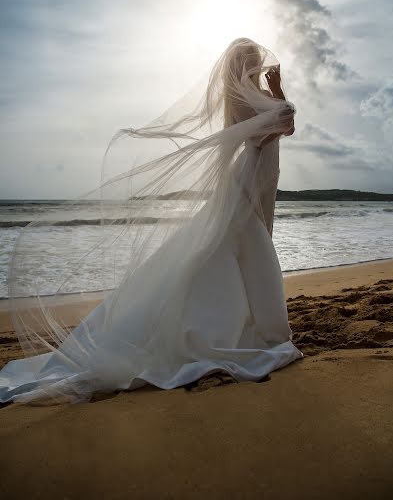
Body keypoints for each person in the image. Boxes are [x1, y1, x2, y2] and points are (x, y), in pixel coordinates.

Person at [0, 37, 303, 405]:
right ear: (240, 64)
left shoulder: (257, 93)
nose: (255, 64)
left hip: (262, 173)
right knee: (239, 244)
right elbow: (271, 128)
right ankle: (232, 326)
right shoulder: (238, 98)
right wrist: (279, 101)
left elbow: (285, 125)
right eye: (250, 60)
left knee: (248, 244)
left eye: (256, 59)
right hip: (249, 174)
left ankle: (253, 322)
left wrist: (276, 90)